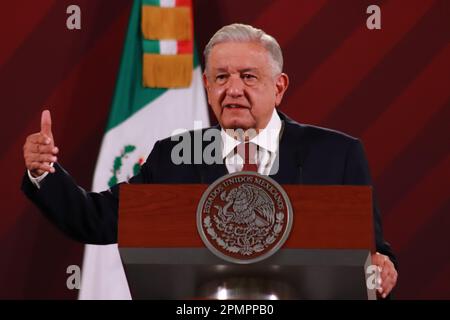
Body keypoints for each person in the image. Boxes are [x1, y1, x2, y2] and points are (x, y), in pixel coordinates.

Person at [22, 23, 397, 298]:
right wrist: (44, 174)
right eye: (221, 77)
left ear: (279, 87)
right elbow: (97, 220)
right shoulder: (173, 158)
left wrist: (383, 268)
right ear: (207, 87)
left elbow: (371, 250)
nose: (233, 89)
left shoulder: (337, 154)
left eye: (248, 77)